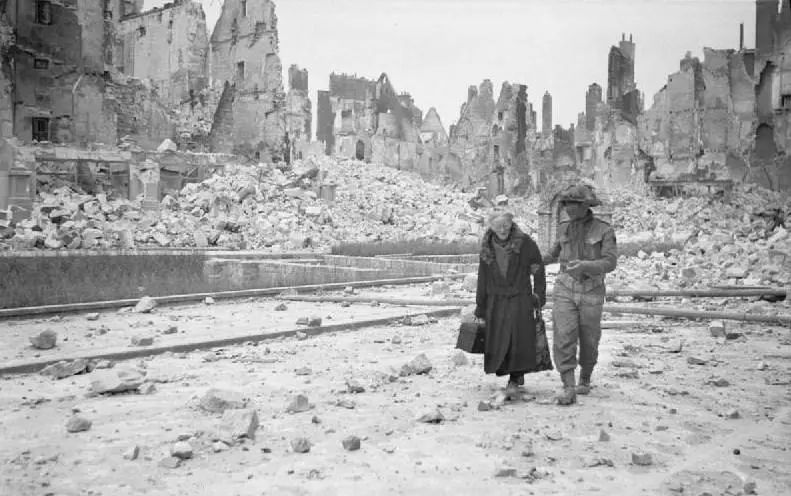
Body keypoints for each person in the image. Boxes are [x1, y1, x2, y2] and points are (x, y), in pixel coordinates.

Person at [543, 184, 617, 405]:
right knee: (563, 336)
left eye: (572, 204)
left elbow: (610, 262)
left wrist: (586, 266)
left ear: (585, 206)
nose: (567, 208)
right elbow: (553, 253)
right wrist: (532, 261)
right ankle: (568, 385)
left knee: (589, 339)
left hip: (592, 291)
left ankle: (585, 376)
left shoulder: (604, 230)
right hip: (564, 288)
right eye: (565, 204)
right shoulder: (564, 227)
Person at [474, 211, 547, 396]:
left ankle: (515, 376)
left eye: (505, 225)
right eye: (498, 226)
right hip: (495, 300)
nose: (502, 229)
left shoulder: (525, 243)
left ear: (511, 223)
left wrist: (539, 295)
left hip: (519, 298)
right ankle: (508, 372)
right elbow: (482, 278)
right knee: (499, 338)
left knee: (518, 338)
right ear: (491, 227)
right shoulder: (487, 246)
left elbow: (538, 269)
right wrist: (480, 306)